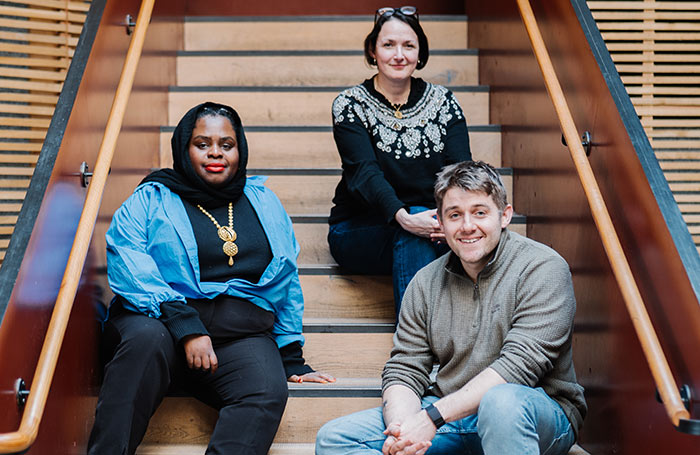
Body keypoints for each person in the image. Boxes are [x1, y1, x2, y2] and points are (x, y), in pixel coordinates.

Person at [87, 102, 335, 455]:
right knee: (145, 340)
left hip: (238, 336)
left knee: (266, 388)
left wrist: (290, 355)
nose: (215, 152)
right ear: (184, 148)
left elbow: (285, 278)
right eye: (202, 144)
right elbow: (130, 262)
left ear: (240, 149)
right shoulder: (151, 198)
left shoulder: (262, 201)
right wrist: (185, 325)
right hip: (159, 325)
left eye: (226, 144)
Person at [316, 161, 587, 455]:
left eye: (480, 213)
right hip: (450, 415)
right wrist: (404, 429)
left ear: (504, 216)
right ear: (441, 225)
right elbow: (405, 368)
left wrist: (431, 417)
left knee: (501, 403)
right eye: (455, 215)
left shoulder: (543, 268)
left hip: (532, 414)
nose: (467, 226)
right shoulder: (425, 282)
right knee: (335, 439)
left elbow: (517, 368)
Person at [328, 6, 472, 314]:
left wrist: (447, 221)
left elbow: (461, 171)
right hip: (360, 229)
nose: (399, 55)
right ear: (373, 50)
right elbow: (364, 173)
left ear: (420, 53)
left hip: (436, 226)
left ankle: (415, 350)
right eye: (388, 45)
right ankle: (416, 346)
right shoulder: (350, 105)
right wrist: (405, 217)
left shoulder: (444, 102)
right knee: (413, 229)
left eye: (408, 45)